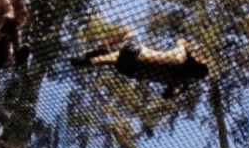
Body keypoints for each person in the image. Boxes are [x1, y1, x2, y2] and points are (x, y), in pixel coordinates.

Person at [71, 27, 208, 99]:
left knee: (127, 31)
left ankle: (96, 51)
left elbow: (181, 41)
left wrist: (191, 45)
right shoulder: (177, 81)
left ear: (196, 62)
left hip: (135, 52)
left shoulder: (182, 53)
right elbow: (167, 95)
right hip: (130, 70)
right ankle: (91, 61)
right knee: (112, 60)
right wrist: (182, 90)